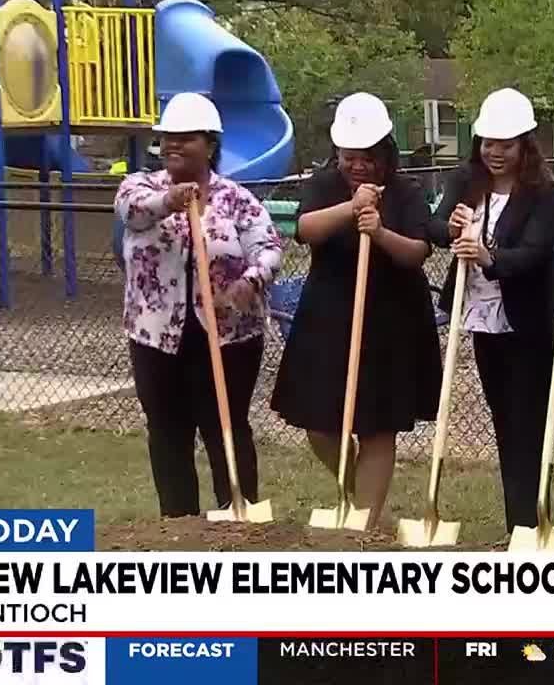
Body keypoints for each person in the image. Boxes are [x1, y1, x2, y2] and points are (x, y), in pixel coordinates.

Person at [269, 92, 442, 530]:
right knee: (319, 425)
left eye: (367, 157)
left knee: (378, 426)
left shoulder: (406, 192)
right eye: (350, 157)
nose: (358, 165)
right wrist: (352, 207)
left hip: (392, 319)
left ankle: (364, 522)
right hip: (330, 316)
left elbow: (417, 252)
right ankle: (357, 497)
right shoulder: (323, 186)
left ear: (385, 152)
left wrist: (380, 231)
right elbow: (304, 230)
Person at [114, 92, 282, 517]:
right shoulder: (141, 186)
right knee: (167, 430)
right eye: (168, 138)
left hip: (228, 336)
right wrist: (168, 201)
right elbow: (131, 212)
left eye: (185, 138)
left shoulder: (236, 199)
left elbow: (268, 247)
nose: (173, 145)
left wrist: (250, 281)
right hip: (156, 334)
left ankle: (238, 512)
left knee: (226, 425)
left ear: (210, 144)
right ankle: (179, 522)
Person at [427, 87, 554, 533]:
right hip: (482, 320)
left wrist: (490, 257)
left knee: (529, 426)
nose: (495, 153)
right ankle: (517, 526)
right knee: (504, 423)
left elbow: (537, 251)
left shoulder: (544, 193)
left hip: (527, 324)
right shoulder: (466, 182)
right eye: (488, 144)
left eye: (505, 145)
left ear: (525, 144)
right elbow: (433, 225)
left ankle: (533, 522)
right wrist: (448, 227)